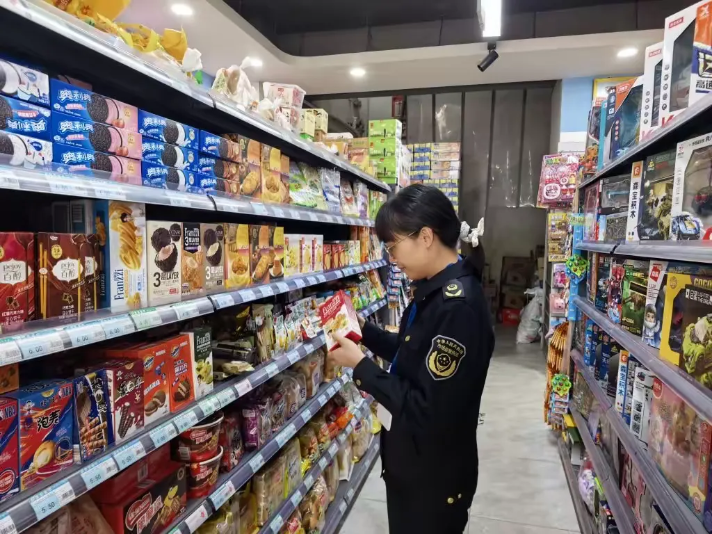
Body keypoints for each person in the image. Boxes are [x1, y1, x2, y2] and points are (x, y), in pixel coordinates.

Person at [328, 184, 494, 534]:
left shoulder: (457, 308)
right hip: (414, 466)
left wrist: (361, 366)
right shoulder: (434, 288)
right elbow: (411, 352)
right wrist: (364, 331)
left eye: (393, 246)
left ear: (426, 237)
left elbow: (425, 408)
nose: (391, 257)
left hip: (433, 479)